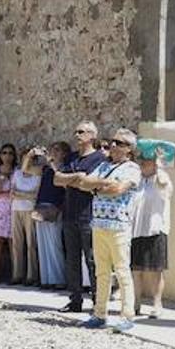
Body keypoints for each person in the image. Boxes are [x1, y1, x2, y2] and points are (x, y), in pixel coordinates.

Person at [58, 129, 142, 332]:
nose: (113, 145)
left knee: (122, 271)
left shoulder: (132, 168)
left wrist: (97, 186)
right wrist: (103, 184)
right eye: (113, 141)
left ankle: (127, 315)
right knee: (101, 272)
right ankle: (99, 313)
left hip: (119, 226)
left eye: (119, 143)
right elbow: (84, 183)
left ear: (129, 149)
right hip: (99, 224)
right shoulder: (104, 166)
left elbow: (119, 189)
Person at [54, 121, 107, 312]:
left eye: (81, 132)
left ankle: (98, 301)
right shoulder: (71, 157)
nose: (77, 135)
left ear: (92, 135)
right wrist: (77, 177)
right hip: (69, 214)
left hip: (89, 215)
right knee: (72, 260)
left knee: (92, 260)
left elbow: (91, 184)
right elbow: (57, 179)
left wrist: (76, 180)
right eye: (76, 131)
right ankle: (75, 300)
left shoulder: (99, 159)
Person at [130, 142, 173, 319]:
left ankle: (157, 304)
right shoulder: (137, 180)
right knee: (136, 269)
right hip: (136, 230)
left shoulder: (162, 179)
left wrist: (160, 164)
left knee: (156, 270)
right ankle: (136, 303)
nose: (142, 164)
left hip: (156, 229)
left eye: (146, 162)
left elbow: (163, 185)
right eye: (141, 161)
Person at [32, 142, 69, 290]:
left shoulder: (65, 168)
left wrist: (52, 163)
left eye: (57, 149)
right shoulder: (46, 169)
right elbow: (26, 169)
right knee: (43, 245)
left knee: (55, 245)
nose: (53, 152)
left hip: (55, 207)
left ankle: (59, 278)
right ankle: (47, 279)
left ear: (64, 153)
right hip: (42, 206)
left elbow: (63, 181)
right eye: (52, 149)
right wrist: (30, 155)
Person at [8, 149, 43, 285]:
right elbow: (11, 193)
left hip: (30, 210)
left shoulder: (37, 175)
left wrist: (20, 194)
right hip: (16, 209)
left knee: (31, 243)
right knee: (16, 243)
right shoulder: (17, 174)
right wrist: (27, 195)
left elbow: (36, 195)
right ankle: (17, 274)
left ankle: (31, 275)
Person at [0, 144, 18, 284]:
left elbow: (17, 191)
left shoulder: (17, 171)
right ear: (0, 155)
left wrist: (4, 191)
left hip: (13, 208)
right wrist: (3, 177)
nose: (7, 156)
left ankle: (15, 274)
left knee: (13, 242)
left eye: (10, 153)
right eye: (4, 152)